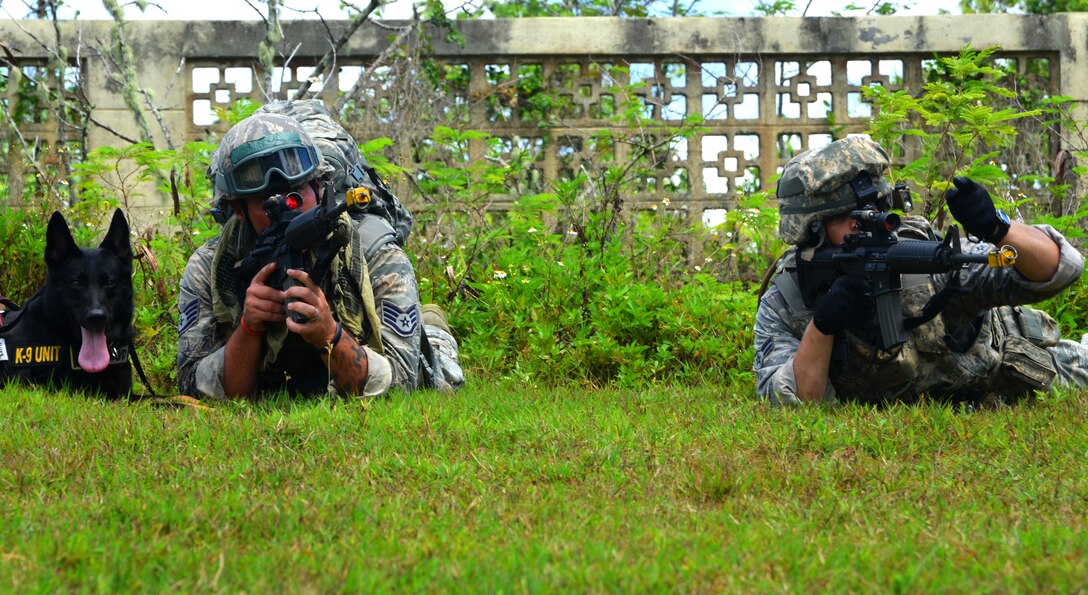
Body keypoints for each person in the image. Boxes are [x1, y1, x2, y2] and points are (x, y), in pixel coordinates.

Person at [754, 136, 1088, 406]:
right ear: (811, 230)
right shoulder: (790, 296)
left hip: (1020, 371)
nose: (862, 226)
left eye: (871, 212)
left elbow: (1059, 269)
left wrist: (998, 228)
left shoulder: (922, 258)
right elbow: (794, 401)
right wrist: (822, 326)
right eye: (845, 218)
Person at [177, 104, 463, 398]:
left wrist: (329, 334)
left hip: (371, 349)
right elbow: (189, 381)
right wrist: (249, 329)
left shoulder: (374, 251)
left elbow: (402, 382)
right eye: (266, 203)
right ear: (239, 210)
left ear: (319, 185)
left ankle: (434, 329)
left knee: (441, 372)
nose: (289, 209)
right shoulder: (213, 265)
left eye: (296, 193)